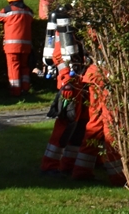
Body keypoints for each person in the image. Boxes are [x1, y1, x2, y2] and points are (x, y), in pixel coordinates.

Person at [72, 54, 126, 187]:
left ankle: (82, 170)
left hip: (96, 73)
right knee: (112, 124)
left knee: (95, 123)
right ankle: (118, 176)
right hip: (107, 75)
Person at [41, 47, 87, 175]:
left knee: (79, 125)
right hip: (71, 82)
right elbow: (59, 54)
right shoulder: (63, 34)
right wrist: (67, 80)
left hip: (79, 80)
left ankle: (68, 164)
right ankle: (49, 165)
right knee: (66, 123)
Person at [0, 0, 36, 97]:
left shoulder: (8, 10)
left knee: (14, 68)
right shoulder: (29, 11)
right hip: (26, 46)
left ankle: (15, 91)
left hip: (12, 46)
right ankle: (25, 89)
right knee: (25, 67)